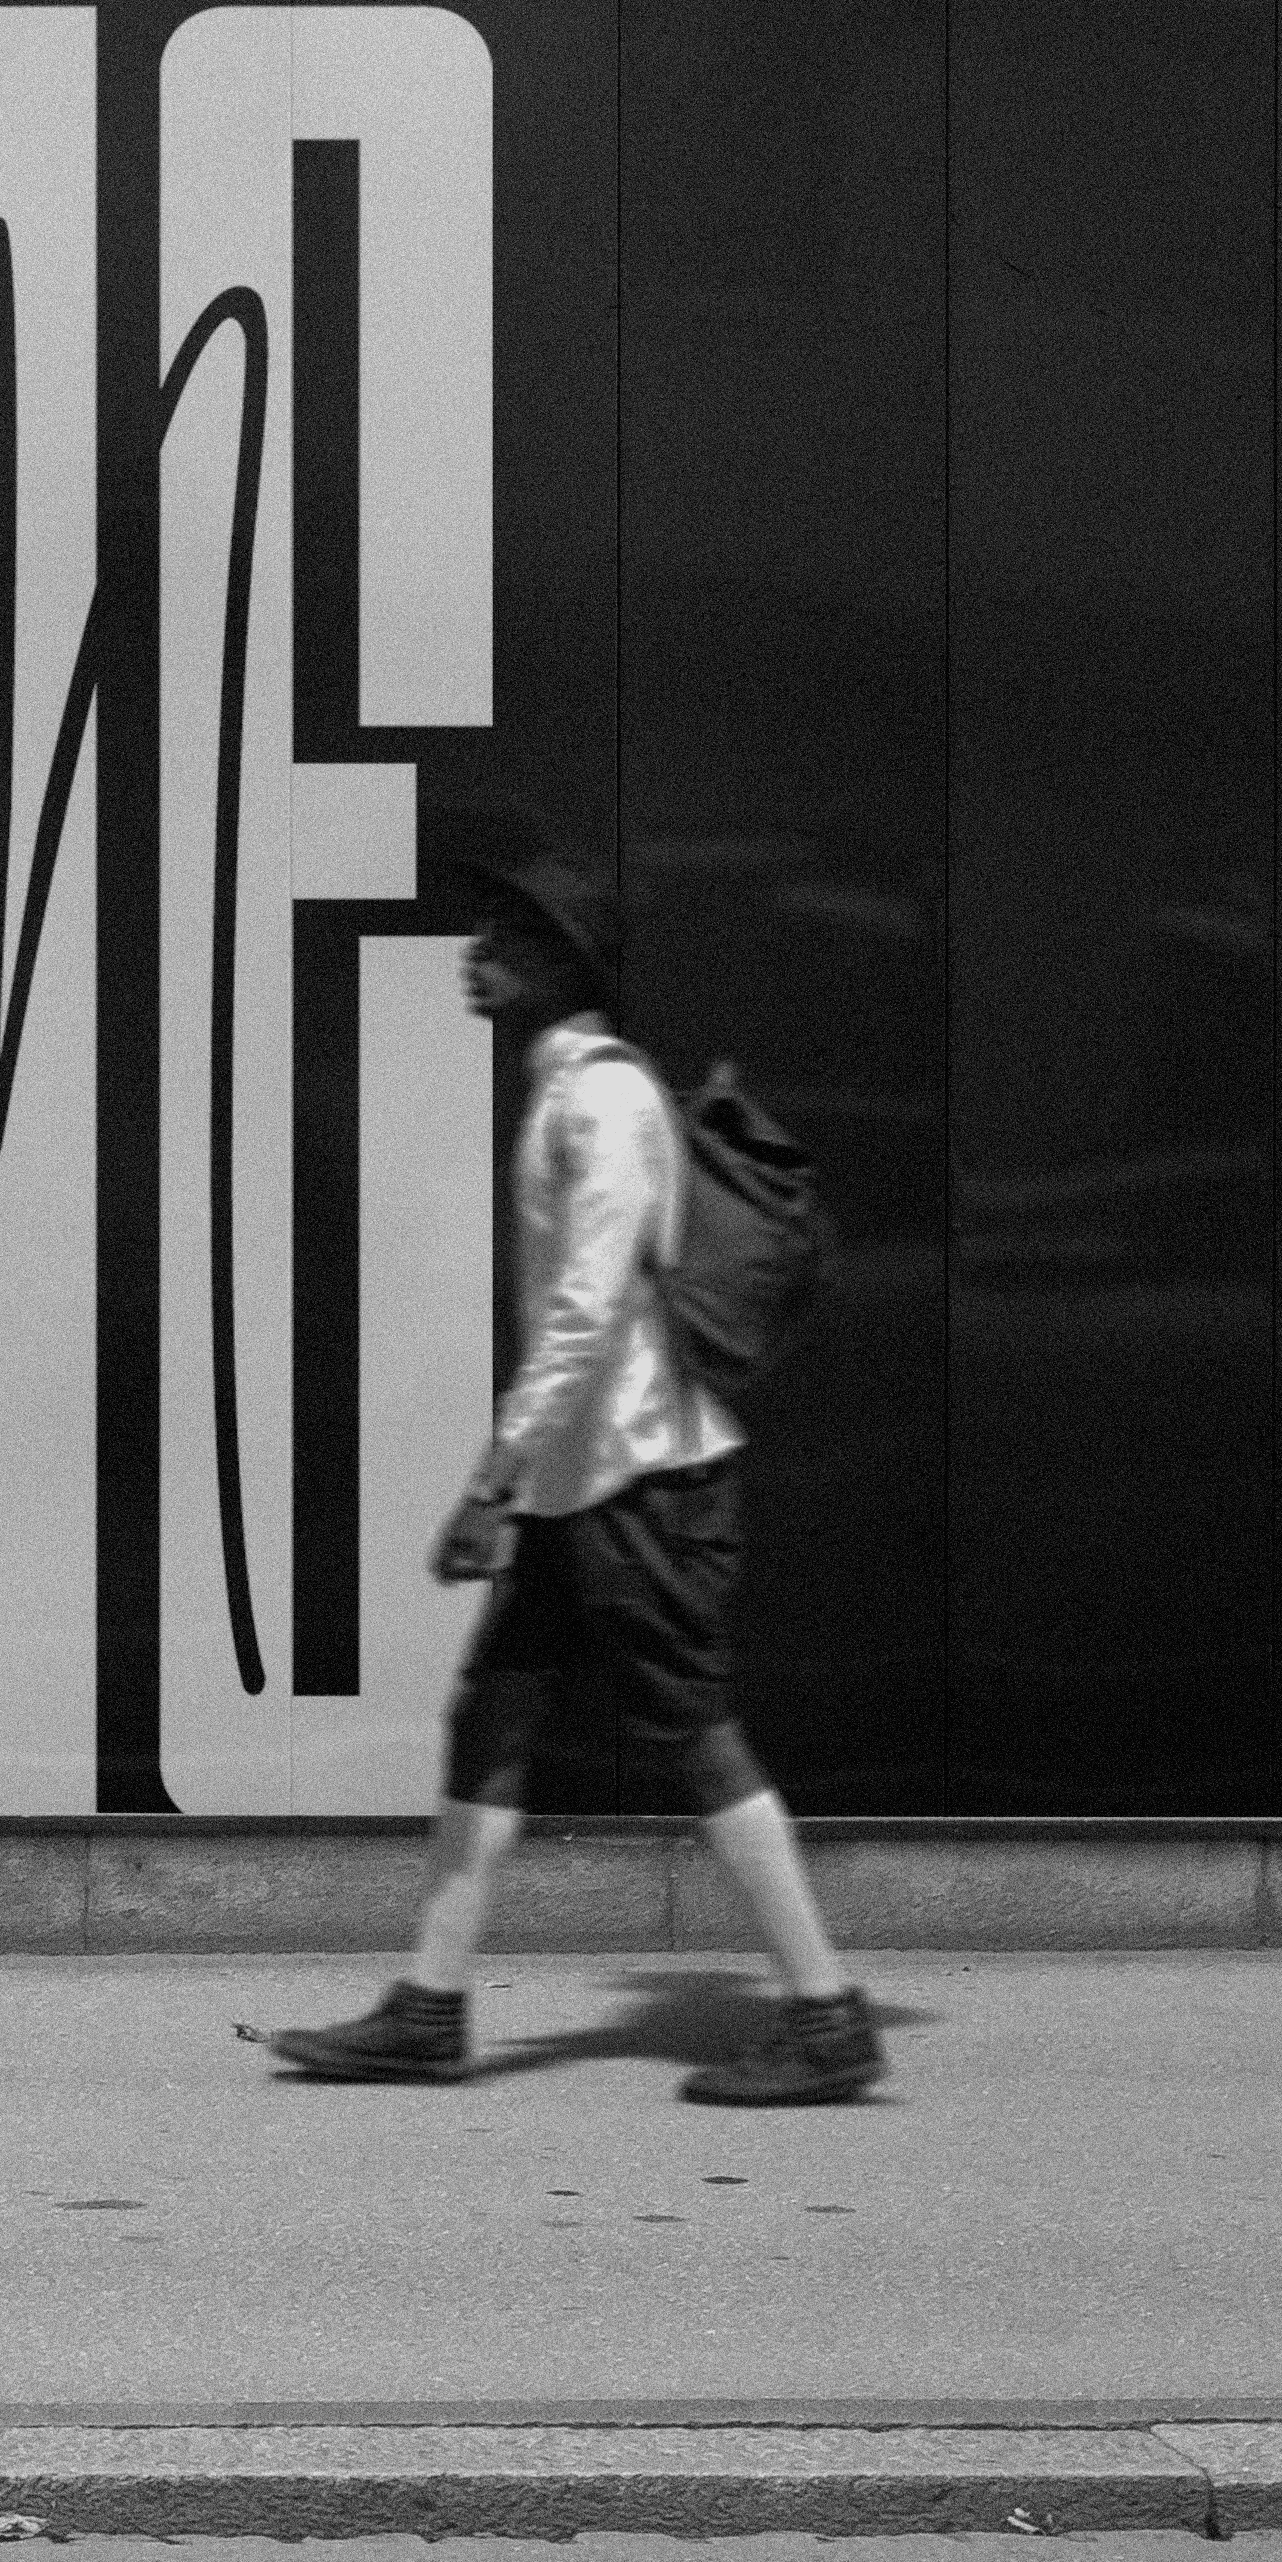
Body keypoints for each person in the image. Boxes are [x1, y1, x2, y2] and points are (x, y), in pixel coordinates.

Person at [265, 856, 884, 2105]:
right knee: (489, 1716)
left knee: (696, 1735)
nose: (474, 948)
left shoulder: (598, 1105)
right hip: (584, 1483)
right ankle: (430, 2009)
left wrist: (493, 1475)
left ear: (561, 966)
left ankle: (825, 2015)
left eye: (504, 933)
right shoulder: (570, 1092)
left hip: (638, 1480)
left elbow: (588, 1312)